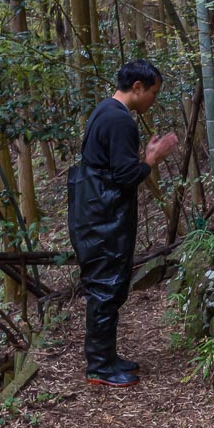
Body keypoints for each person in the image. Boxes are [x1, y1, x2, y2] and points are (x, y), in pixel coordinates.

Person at [68, 59, 179, 387]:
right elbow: (126, 176)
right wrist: (152, 159)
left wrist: (144, 158)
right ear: (137, 88)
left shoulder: (105, 111)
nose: (153, 100)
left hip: (94, 211)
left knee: (108, 286)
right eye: (153, 93)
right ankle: (100, 367)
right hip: (102, 217)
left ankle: (107, 357)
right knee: (106, 287)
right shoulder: (119, 120)